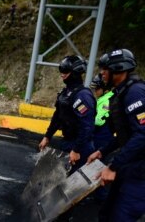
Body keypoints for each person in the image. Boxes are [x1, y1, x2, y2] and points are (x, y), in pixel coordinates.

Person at [87, 49, 145, 222]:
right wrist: (102, 152)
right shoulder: (122, 92)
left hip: (140, 173)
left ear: (118, 69)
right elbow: (125, 134)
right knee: (106, 214)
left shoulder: (135, 93)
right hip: (129, 166)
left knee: (120, 217)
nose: (102, 73)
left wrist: (112, 167)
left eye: (105, 69)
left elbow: (142, 134)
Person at [38, 55, 96, 220]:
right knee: (59, 183)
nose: (61, 74)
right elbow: (58, 116)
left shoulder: (82, 95)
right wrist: (47, 136)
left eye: (65, 70)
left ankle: (64, 217)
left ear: (75, 72)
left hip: (80, 146)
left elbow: (87, 126)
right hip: (68, 142)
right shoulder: (66, 93)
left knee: (70, 190)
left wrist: (76, 150)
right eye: (61, 70)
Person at [89, 73, 114, 201]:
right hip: (100, 136)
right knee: (96, 165)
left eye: (97, 89)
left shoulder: (108, 100)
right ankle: (97, 195)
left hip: (103, 137)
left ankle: (101, 197)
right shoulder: (102, 98)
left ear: (105, 89)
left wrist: (88, 118)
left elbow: (99, 120)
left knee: (100, 166)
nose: (95, 91)